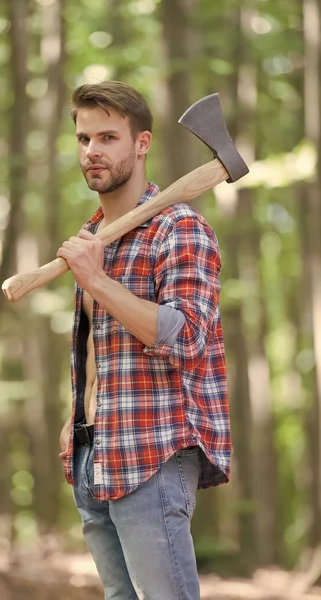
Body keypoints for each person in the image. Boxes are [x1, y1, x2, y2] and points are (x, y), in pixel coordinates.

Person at [56, 80, 231, 600]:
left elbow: (186, 338)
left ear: (142, 143)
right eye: (84, 138)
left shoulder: (179, 229)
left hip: (151, 453)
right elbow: (101, 349)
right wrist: (77, 416)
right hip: (95, 451)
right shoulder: (93, 239)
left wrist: (98, 282)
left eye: (108, 137)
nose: (92, 151)